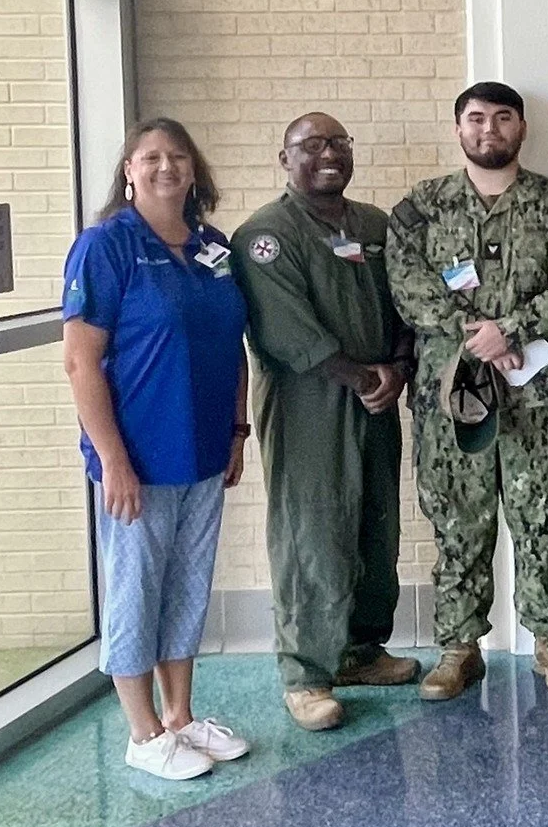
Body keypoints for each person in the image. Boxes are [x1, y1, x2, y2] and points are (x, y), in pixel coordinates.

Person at [61, 119, 251, 780]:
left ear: (194, 171)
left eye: (178, 157)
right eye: (151, 157)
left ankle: (180, 717)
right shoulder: (105, 247)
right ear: (129, 172)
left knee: (188, 585)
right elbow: (80, 362)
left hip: (203, 451)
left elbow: (233, 345)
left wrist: (237, 431)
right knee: (136, 590)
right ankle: (142, 734)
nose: (166, 167)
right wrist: (113, 459)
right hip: (137, 459)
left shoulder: (212, 247)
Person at [386, 82, 548, 701]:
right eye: (476, 119)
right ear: (459, 129)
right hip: (454, 393)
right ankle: (459, 647)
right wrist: (477, 335)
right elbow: (408, 286)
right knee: (457, 521)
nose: (489, 130)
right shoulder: (422, 207)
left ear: (521, 128)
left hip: (539, 393)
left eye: (502, 118)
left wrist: (513, 330)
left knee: (540, 519)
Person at [234, 113, 417, 732]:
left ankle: (360, 651)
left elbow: (406, 306)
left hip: (377, 398)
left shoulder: (375, 227)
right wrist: (365, 378)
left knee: (375, 522)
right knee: (312, 531)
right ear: (285, 159)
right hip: (309, 403)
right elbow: (286, 332)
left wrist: (397, 368)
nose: (329, 153)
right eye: (311, 145)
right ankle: (307, 673)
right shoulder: (266, 235)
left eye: (339, 142)